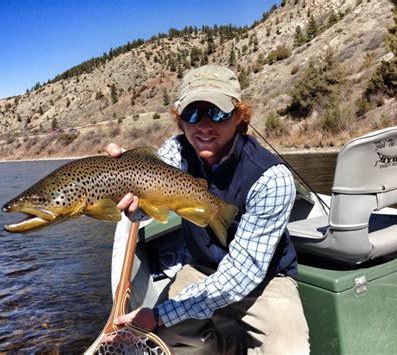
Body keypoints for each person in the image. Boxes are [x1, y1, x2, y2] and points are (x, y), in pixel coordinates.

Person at [107, 64, 309, 354]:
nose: (203, 125)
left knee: (288, 348)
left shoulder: (272, 178)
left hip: (266, 280)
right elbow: (144, 205)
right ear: (179, 119)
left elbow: (243, 274)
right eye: (192, 113)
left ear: (239, 116)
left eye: (217, 112)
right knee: (165, 340)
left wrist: (161, 314)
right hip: (202, 269)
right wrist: (124, 185)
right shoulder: (176, 153)